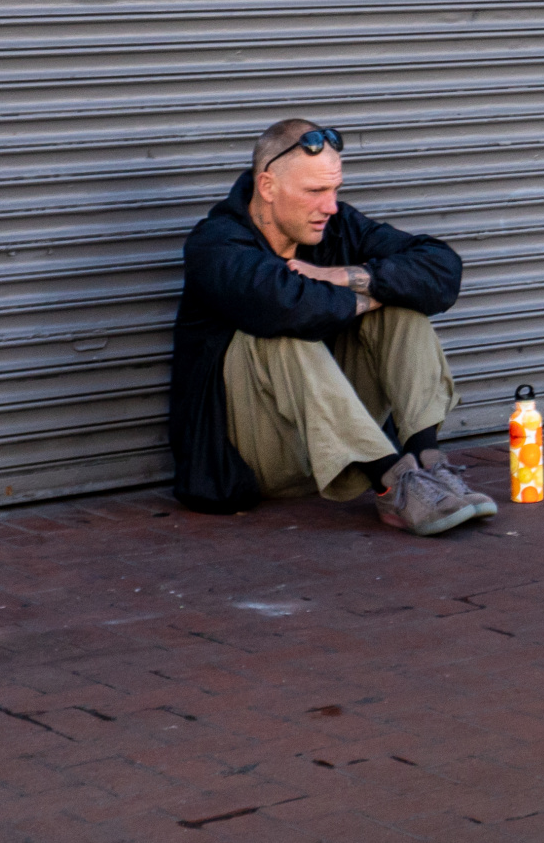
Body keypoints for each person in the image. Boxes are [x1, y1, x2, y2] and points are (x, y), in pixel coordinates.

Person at [169, 118, 488, 535]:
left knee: (400, 312)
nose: (331, 206)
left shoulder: (337, 228)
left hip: (328, 454)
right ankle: (391, 483)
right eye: (315, 191)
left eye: (335, 190)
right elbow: (287, 306)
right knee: (281, 332)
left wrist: (350, 276)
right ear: (267, 186)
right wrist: (371, 292)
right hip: (251, 460)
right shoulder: (216, 244)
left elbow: (441, 268)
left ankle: (427, 467)